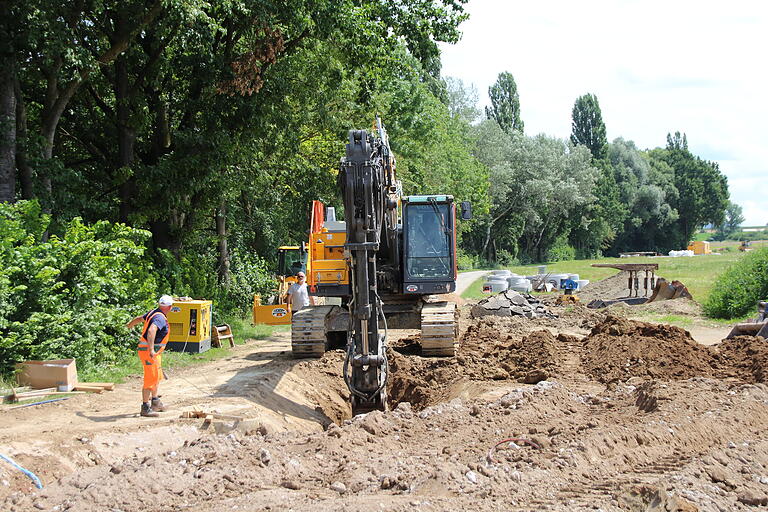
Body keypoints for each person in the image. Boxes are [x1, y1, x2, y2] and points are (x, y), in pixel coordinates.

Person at [125, 295, 173, 417]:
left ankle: (155, 402)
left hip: (154, 353)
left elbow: (139, 318)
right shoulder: (160, 318)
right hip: (149, 353)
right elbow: (152, 330)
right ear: (170, 307)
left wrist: (130, 325)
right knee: (150, 379)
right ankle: (145, 407)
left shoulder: (153, 312)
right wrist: (151, 349)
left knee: (156, 376)